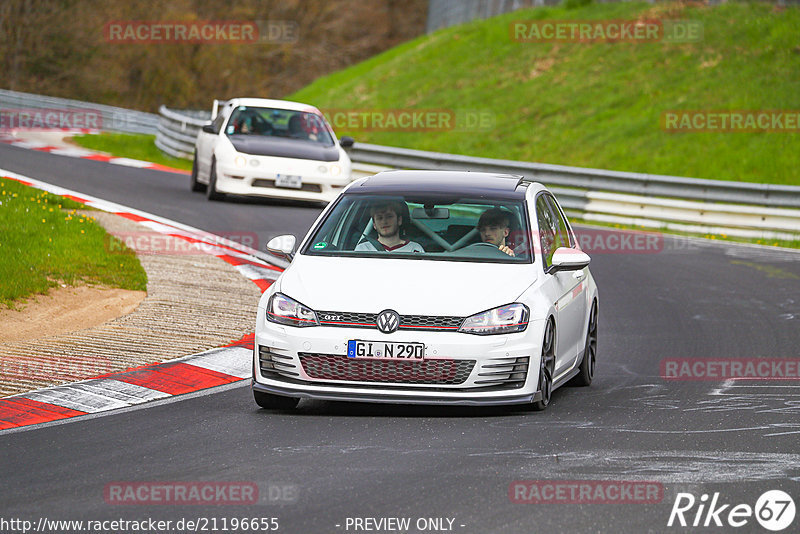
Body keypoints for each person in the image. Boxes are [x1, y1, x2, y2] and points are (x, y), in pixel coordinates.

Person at [355, 201, 424, 253]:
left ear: (399, 220)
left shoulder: (415, 250)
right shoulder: (363, 249)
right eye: (379, 218)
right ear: (374, 225)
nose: (384, 222)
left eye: (389, 217)